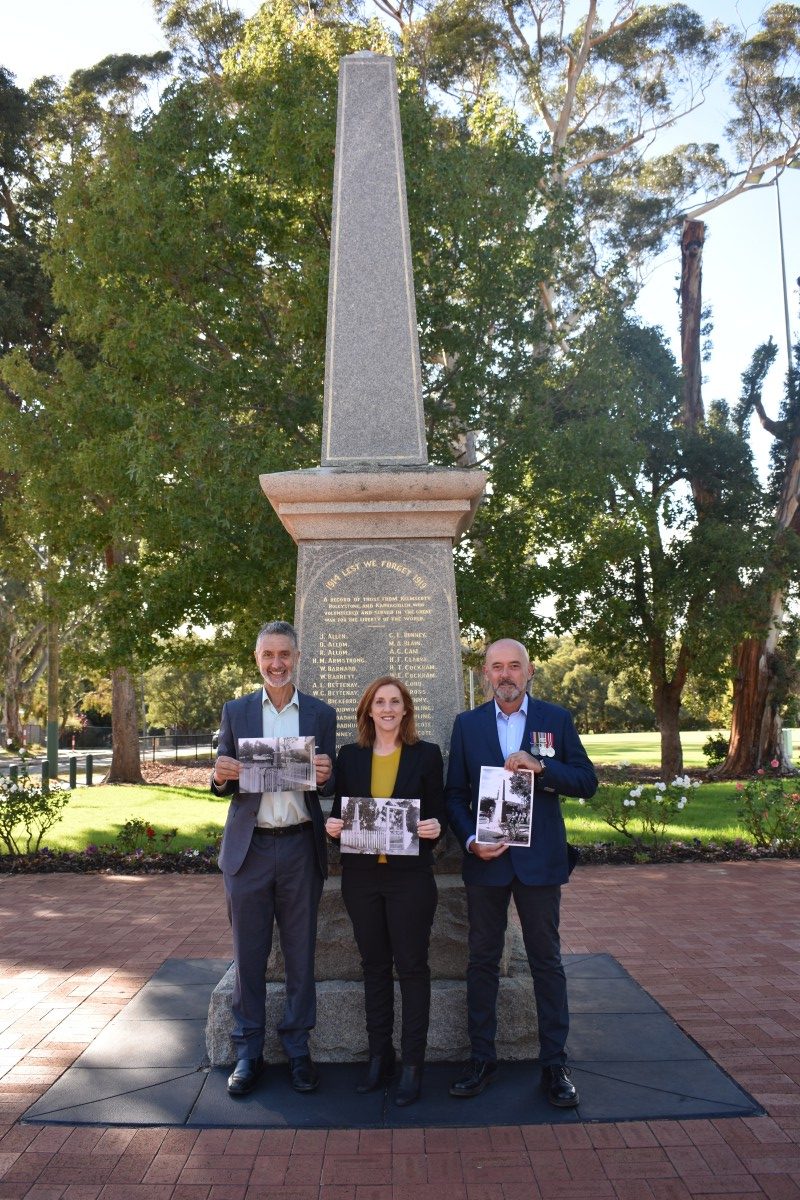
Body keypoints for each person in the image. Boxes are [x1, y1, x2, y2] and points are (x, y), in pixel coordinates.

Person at [445, 638, 597, 1108]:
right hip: (487, 862)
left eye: (515, 666)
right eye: (497, 667)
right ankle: (482, 1057)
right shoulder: (467, 725)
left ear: (529, 672)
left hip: (539, 862)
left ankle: (554, 1062)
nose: (506, 675)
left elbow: (587, 782)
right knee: (482, 961)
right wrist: (472, 840)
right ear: (485, 674)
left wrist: (542, 768)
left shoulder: (556, 719)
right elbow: (453, 794)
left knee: (546, 961)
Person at [212, 620, 336, 1097]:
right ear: (257, 659)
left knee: (301, 951)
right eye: (268, 655)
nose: (277, 663)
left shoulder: (320, 715)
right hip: (250, 849)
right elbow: (222, 777)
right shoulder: (236, 711)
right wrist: (220, 774)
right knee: (249, 953)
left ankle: (298, 1049)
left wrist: (326, 774)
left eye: (285, 654)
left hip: (301, 845)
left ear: (297, 657)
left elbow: (331, 781)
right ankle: (248, 1050)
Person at [325, 676, 445, 1107]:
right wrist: (333, 829)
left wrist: (435, 828)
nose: (388, 708)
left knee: (412, 968)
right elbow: (342, 817)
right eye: (380, 702)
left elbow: (438, 817)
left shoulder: (426, 755)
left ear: (406, 710)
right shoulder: (350, 757)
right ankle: (381, 1056)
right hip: (361, 879)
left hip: (410, 879)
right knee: (374, 966)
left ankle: (413, 1064)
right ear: (369, 710)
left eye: (395, 701)